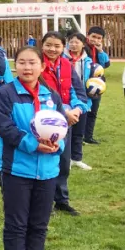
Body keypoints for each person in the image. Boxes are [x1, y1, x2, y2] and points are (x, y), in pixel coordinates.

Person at [0, 47, 66, 250]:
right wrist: (33, 145)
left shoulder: (51, 95)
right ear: (16, 66)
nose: (27, 67)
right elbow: (5, 128)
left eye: (32, 62)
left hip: (47, 171)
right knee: (17, 222)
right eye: (22, 62)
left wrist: (57, 146)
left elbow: (62, 128)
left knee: (40, 222)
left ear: (41, 66)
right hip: (16, 169)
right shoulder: (5, 94)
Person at [40, 32, 89, 217]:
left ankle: (61, 200)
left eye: (57, 46)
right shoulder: (38, 64)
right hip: (45, 121)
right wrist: (64, 112)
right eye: (48, 45)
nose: (52, 49)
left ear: (63, 47)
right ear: (42, 45)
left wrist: (77, 109)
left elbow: (77, 90)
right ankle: (44, 203)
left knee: (63, 162)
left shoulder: (66, 64)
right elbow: (43, 93)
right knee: (46, 162)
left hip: (66, 121)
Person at [66, 32, 95, 172]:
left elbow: (97, 78)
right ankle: (65, 160)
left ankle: (76, 159)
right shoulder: (63, 59)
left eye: (76, 42)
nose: (73, 44)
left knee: (78, 132)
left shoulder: (88, 61)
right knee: (66, 132)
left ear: (83, 44)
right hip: (66, 99)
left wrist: (95, 88)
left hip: (83, 100)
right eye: (71, 41)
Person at [83, 26, 111, 145]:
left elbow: (106, 64)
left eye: (99, 38)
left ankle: (88, 136)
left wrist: (100, 51)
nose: (96, 40)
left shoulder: (99, 50)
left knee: (93, 112)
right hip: (84, 84)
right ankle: (78, 135)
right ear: (87, 36)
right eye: (93, 37)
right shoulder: (82, 47)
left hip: (97, 85)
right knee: (82, 110)